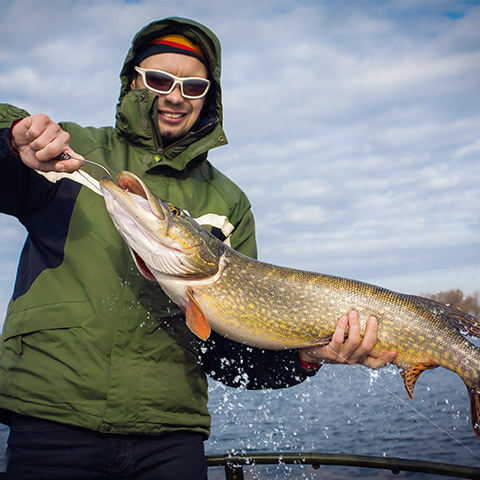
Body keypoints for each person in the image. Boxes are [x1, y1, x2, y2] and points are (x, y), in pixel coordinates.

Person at [0, 17, 396, 479]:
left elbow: (234, 354)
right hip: (52, 424)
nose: (174, 96)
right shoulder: (70, 151)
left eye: (193, 86)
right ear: (133, 81)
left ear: (209, 96)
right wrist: (11, 137)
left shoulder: (229, 202)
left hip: (171, 437)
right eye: (159, 80)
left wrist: (309, 355)